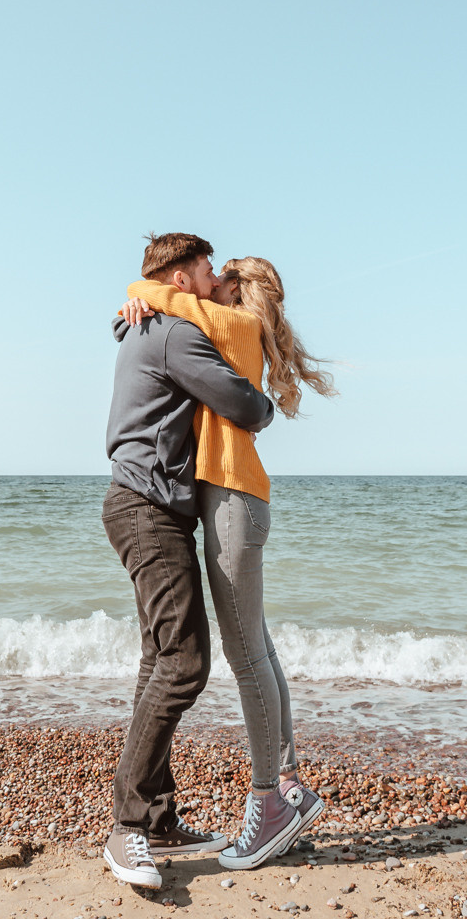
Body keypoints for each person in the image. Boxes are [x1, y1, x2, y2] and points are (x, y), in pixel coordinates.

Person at [117, 254, 337, 870]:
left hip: (233, 501)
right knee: (257, 648)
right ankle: (287, 783)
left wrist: (139, 294)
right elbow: (178, 301)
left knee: (244, 656)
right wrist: (148, 300)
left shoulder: (228, 326)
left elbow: (177, 300)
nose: (209, 283)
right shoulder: (228, 328)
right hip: (235, 499)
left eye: (220, 276)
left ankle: (269, 804)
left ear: (234, 292)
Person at [102, 232, 277, 888]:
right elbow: (239, 402)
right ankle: (126, 827)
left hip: (141, 505)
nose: (214, 271)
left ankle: (156, 815)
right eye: (206, 265)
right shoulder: (175, 333)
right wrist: (266, 405)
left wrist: (133, 303)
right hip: (148, 508)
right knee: (186, 662)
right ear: (181, 275)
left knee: (157, 657)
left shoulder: (150, 324)